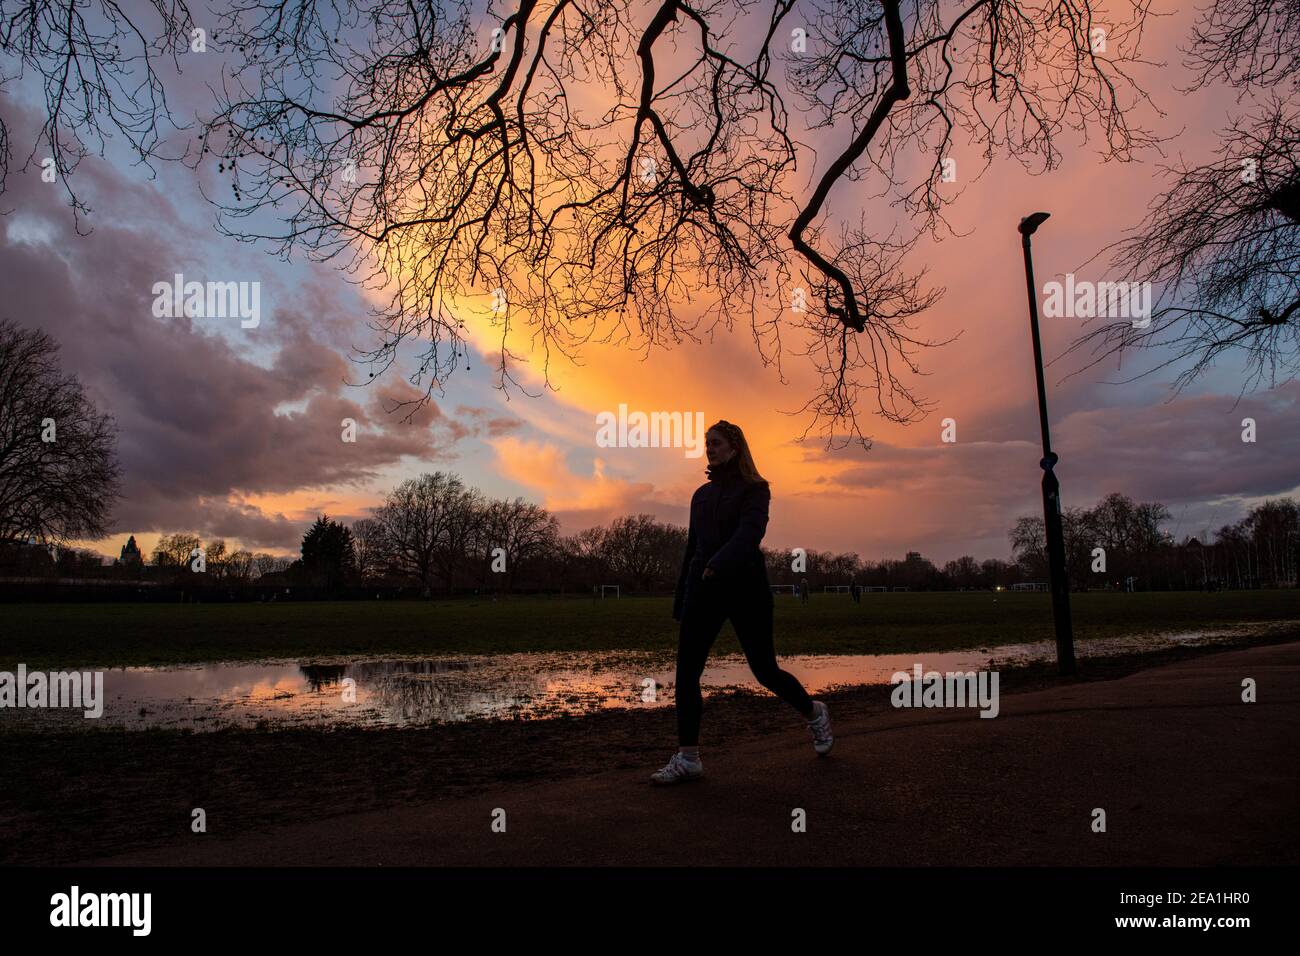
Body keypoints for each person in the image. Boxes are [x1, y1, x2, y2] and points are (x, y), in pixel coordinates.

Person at [651, 420, 832, 785]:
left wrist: (718, 564)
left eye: (716, 443)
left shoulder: (756, 489)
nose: (709, 448)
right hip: (704, 592)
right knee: (687, 673)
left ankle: (814, 713)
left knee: (765, 670)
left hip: (746, 590)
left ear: (734, 447)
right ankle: (688, 758)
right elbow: (692, 551)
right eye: (706, 443)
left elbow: (749, 535)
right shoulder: (700, 496)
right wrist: (681, 600)